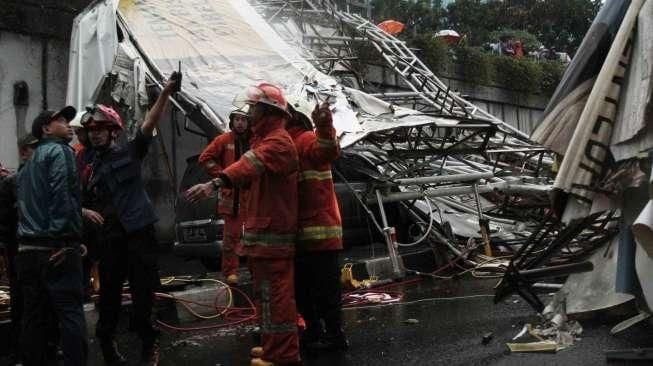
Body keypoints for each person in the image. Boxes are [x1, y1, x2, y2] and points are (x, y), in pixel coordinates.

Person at [186, 82, 301, 366]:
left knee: (277, 297)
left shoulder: (278, 142)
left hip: (273, 237)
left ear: (268, 112)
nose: (248, 114)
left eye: (253, 108)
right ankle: (272, 347)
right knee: (266, 296)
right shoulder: (263, 140)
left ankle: (283, 354)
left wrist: (215, 182)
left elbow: (249, 164)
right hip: (262, 236)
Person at [80, 74, 178, 366]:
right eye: (91, 130)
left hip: (138, 235)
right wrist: (81, 212)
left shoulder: (129, 152)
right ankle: (108, 347)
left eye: (101, 129)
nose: (95, 133)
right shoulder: (84, 163)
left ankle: (149, 345)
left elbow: (149, 124)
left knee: (143, 295)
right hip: (109, 238)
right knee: (108, 297)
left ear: (113, 132)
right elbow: (71, 196)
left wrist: (165, 93)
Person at [15, 107, 88, 366]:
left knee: (34, 317)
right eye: (61, 120)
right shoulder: (60, 151)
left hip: (27, 251)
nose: (68, 125)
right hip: (54, 248)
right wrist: (65, 241)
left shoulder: (27, 165)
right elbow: (64, 194)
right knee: (70, 312)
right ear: (45, 129)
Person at [285, 97, 348, 352]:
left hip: (319, 236)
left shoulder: (304, 139)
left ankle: (334, 336)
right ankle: (314, 332)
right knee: (303, 291)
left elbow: (327, 150)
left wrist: (323, 125)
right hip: (299, 235)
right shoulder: (284, 143)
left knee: (324, 292)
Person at [197, 106, 251, 285]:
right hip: (231, 197)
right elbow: (205, 158)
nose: (240, 123)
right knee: (231, 238)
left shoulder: (253, 141)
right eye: (237, 119)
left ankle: (255, 269)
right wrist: (221, 175)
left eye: (243, 120)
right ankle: (230, 272)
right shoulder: (223, 140)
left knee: (253, 236)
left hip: (251, 196)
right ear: (232, 121)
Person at [0, 134, 39, 365]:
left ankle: (42, 348)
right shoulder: (11, 183)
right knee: (21, 302)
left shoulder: (45, 179)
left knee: (39, 303)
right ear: (25, 152)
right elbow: (4, 222)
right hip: (19, 251)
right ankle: (18, 351)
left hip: (38, 250)